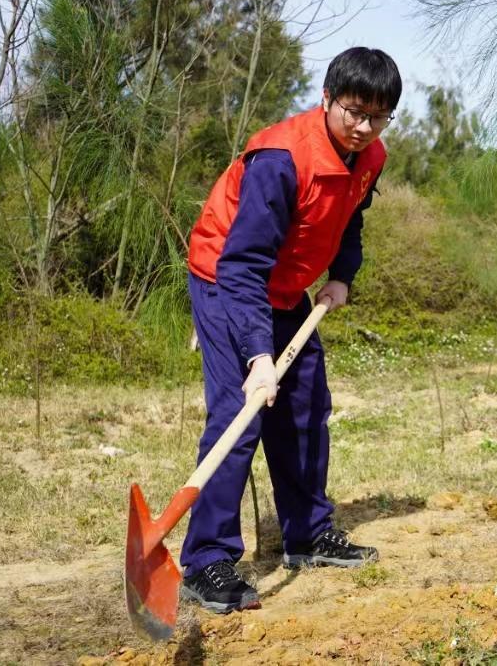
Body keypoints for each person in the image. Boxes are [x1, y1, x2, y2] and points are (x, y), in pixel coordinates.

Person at [179, 46, 401, 613]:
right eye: (354, 110)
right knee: (240, 412)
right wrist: (257, 357)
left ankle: (306, 534)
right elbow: (241, 264)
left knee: (304, 405)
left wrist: (342, 276)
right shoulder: (280, 159)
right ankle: (207, 560)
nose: (363, 127)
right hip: (225, 278)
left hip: (286, 287)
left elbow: (350, 219)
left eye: (378, 117)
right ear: (325, 99)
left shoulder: (370, 156)